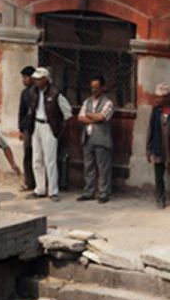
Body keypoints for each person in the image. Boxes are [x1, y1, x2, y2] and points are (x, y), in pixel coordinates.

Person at [26, 67, 72, 202]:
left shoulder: (56, 93)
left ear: (46, 79)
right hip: (37, 125)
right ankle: (40, 189)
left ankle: (53, 191)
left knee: (50, 160)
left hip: (49, 126)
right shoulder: (33, 92)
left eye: (39, 79)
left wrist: (58, 130)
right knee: (37, 159)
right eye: (35, 79)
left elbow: (67, 113)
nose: (36, 81)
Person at [77, 76, 114, 204]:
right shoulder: (87, 101)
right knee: (88, 167)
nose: (94, 90)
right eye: (92, 88)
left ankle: (103, 192)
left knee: (103, 167)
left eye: (96, 88)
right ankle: (89, 191)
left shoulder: (108, 102)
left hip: (102, 139)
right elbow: (80, 117)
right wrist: (93, 117)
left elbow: (102, 117)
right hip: (87, 137)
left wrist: (88, 115)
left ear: (102, 88)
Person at [147, 83, 170, 209]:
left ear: (167, 97)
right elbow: (150, 129)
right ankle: (160, 199)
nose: (158, 100)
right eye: (157, 97)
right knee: (159, 176)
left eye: (161, 97)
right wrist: (148, 149)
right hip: (158, 148)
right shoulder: (156, 111)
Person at [18, 66, 36, 192]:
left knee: (38, 157)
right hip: (27, 129)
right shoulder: (24, 93)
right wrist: (20, 128)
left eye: (25, 77)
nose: (23, 80)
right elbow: (21, 111)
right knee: (27, 155)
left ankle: (40, 183)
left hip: (39, 126)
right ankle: (29, 182)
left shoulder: (38, 92)